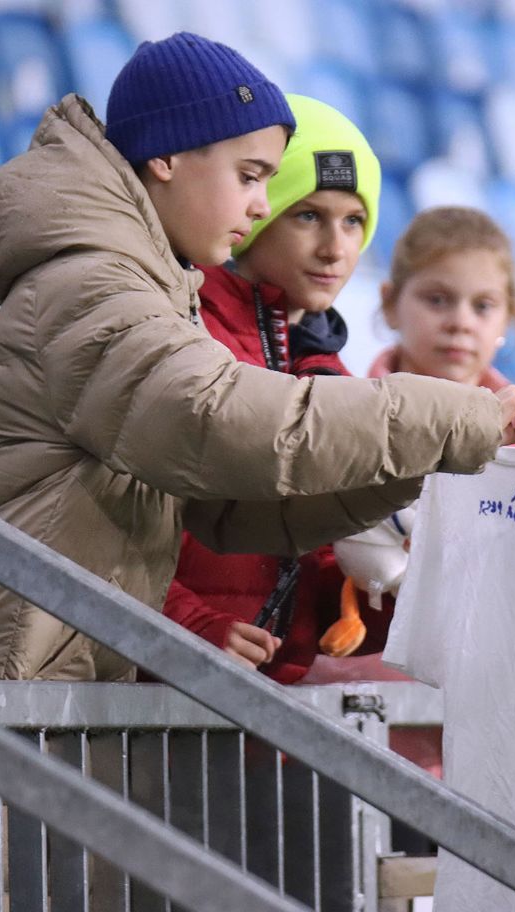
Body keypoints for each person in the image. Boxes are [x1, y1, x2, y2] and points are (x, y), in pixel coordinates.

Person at [0, 32, 515, 681]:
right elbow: (214, 420)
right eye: (250, 176)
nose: (260, 205)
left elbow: (232, 513)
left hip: (38, 664)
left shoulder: (140, 283)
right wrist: (456, 418)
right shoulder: (92, 283)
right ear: (168, 158)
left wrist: (414, 467)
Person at [159, 93, 394, 682]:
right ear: (257, 210)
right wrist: (188, 627)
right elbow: (110, 527)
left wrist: (383, 588)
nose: (335, 248)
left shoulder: (330, 373)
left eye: (354, 221)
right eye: (308, 215)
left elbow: (318, 580)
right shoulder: (184, 332)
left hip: (257, 699)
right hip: (151, 691)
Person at [301, 205, 515, 690]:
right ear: (389, 304)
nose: (460, 322)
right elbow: (312, 548)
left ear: (509, 317)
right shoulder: (344, 412)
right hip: (356, 679)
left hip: (483, 690)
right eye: (437, 299)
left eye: (483, 306)